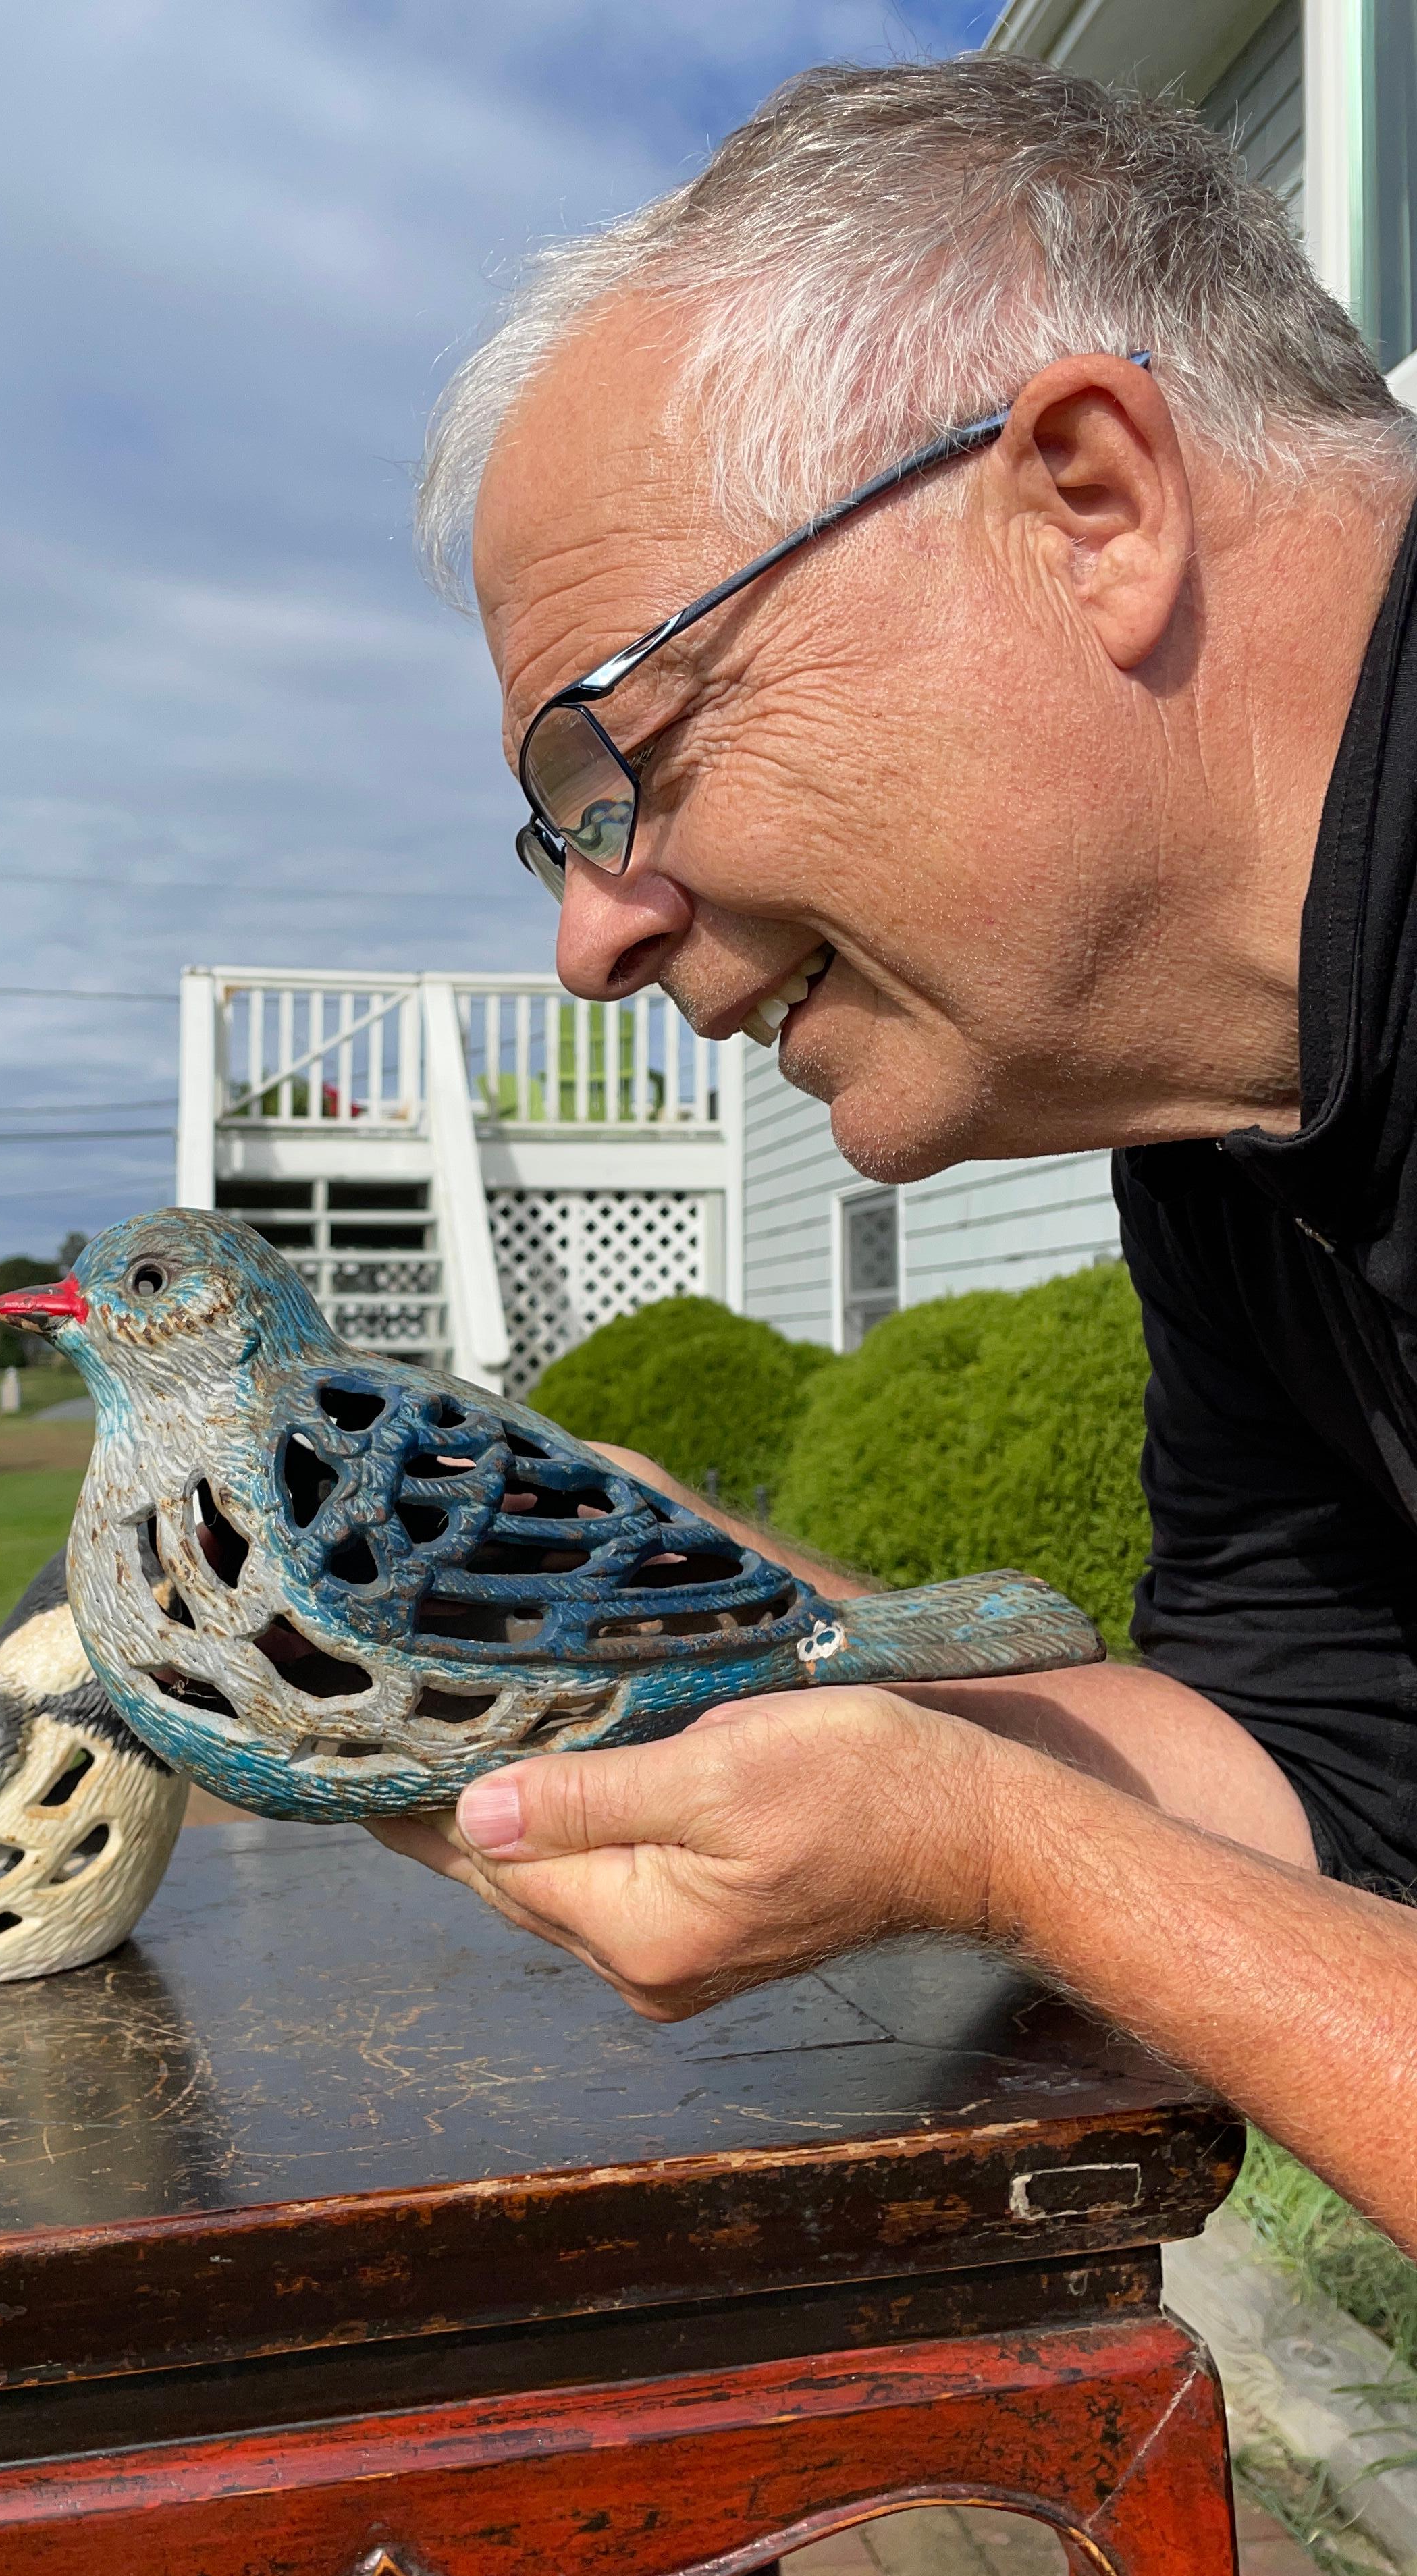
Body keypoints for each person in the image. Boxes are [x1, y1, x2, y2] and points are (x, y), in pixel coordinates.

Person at [376, 55, 1417, 2253]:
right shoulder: (1227, 1112)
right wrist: (712, 1631)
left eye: (618, 762)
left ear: (1089, 505)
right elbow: (1319, 1786)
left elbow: (1122, 1852)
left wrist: (1011, 1850)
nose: (592, 937)